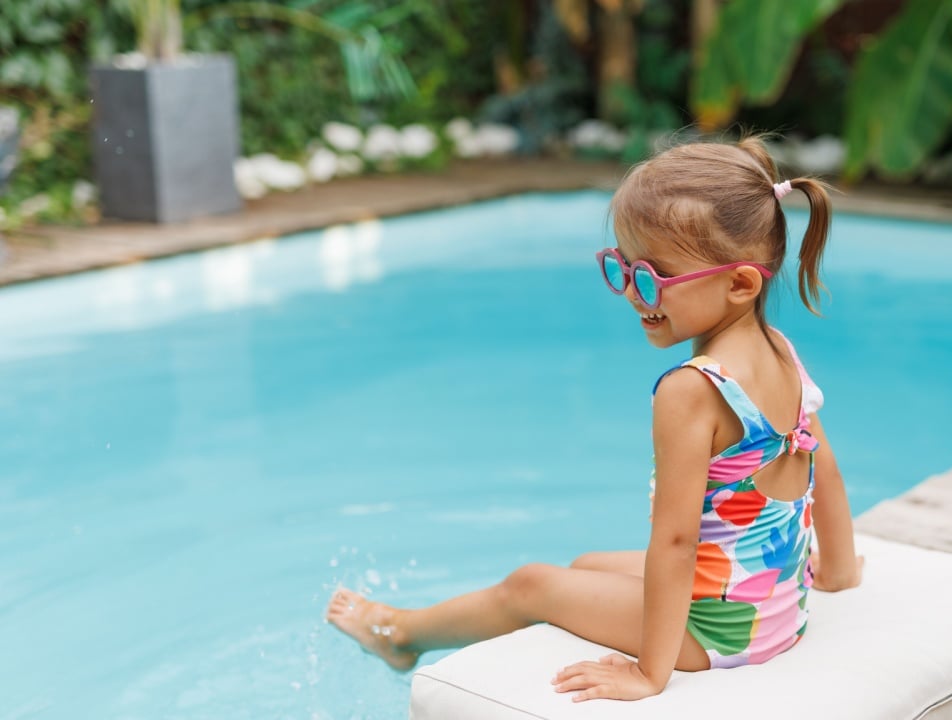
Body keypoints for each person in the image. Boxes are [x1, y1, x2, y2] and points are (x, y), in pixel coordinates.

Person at [326, 136, 864, 702]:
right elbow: (824, 472)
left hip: (718, 633)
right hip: (776, 607)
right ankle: (410, 631)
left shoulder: (693, 390)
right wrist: (838, 572)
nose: (634, 293)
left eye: (654, 278)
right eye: (624, 268)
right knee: (586, 565)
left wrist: (648, 674)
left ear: (739, 283)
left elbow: (677, 542)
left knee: (530, 583)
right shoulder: (780, 351)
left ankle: (402, 636)